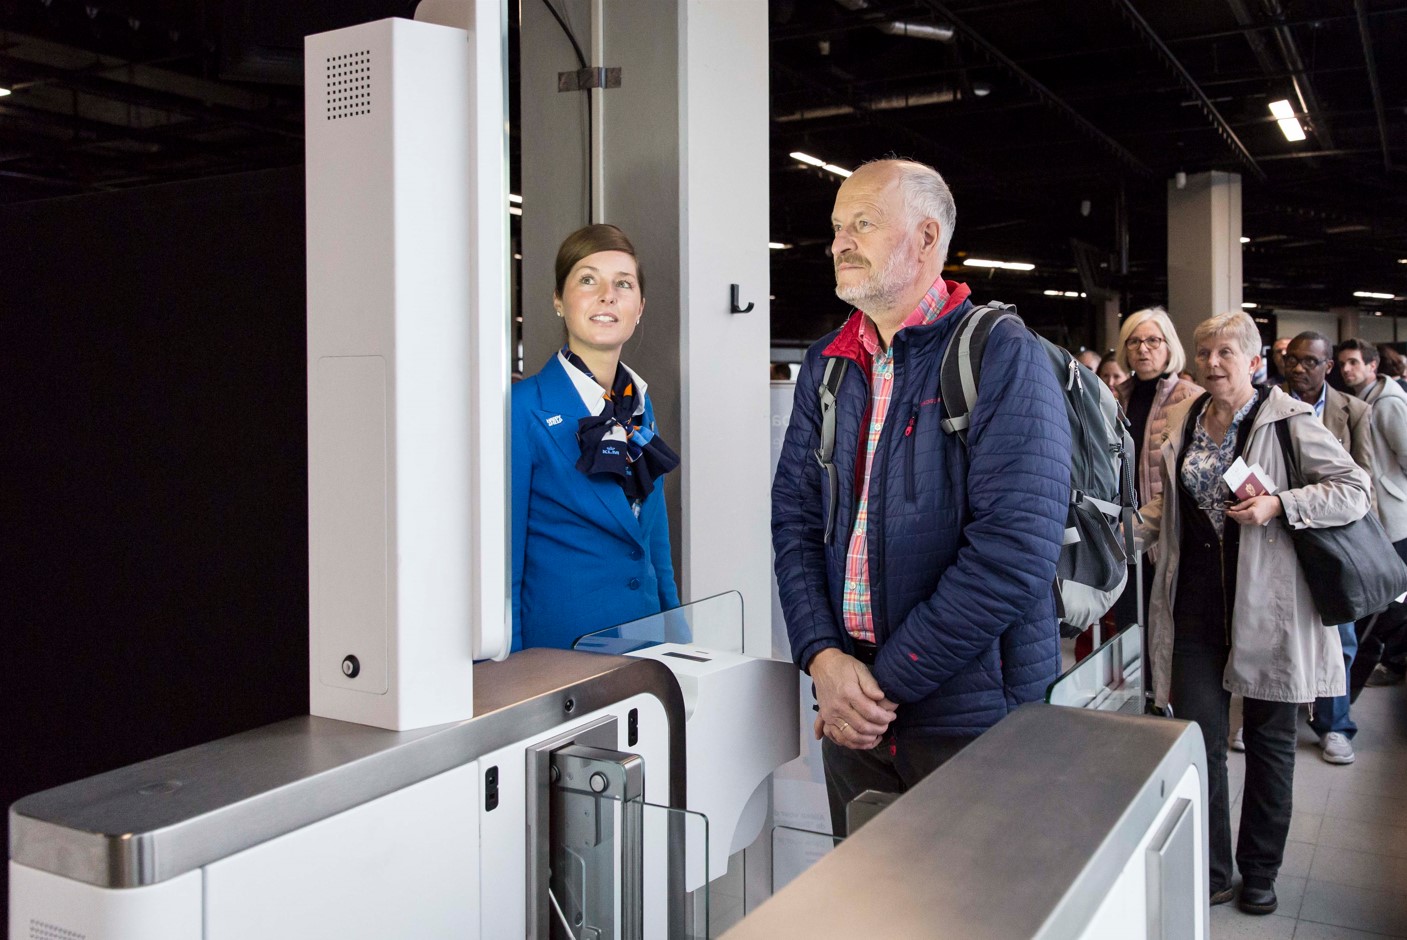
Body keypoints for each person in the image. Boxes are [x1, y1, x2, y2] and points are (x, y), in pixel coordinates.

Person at [771, 158, 1071, 837]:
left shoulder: (999, 353)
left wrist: (880, 687)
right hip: (852, 712)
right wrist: (821, 657)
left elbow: (1013, 552)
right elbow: (793, 518)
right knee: (870, 907)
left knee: (974, 911)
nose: (841, 241)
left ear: (927, 237)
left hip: (972, 714)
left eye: (864, 224)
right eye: (836, 228)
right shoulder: (827, 365)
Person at [1138, 311, 1368, 915]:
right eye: (1204, 351)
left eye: (1226, 353)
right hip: (1194, 608)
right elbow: (1168, 508)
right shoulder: (1187, 418)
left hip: (1269, 608)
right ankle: (1212, 869)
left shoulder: (1288, 420)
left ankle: (1260, 871)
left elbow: (1353, 488)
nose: (1213, 363)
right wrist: (1122, 537)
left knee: (1269, 741)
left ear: (1254, 360)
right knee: (1200, 739)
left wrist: (1279, 503)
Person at [511, 224, 681, 651]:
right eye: (588, 280)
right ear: (558, 300)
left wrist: (678, 639)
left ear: (639, 306)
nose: (608, 295)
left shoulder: (639, 405)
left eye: (623, 284)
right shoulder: (520, 407)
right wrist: (506, 670)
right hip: (556, 657)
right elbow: (502, 565)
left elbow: (654, 541)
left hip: (643, 648)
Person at [1281, 331, 1374, 765]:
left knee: (1340, 633)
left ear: (1328, 367)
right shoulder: (1268, 406)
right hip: (1278, 527)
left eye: (1310, 362)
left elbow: (1364, 481)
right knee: (1276, 626)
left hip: (1334, 536)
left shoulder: (1353, 411)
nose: (1299, 369)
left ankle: (1335, 725)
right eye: (1292, 360)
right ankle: (1273, 713)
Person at [1111, 307, 1203, 628]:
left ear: (1169, 346)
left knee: (1170, 633)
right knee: (1128, 634)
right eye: (1133, 342)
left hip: (1168, 537)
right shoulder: (1114, 399)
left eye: (1152, 340)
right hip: (1123, 537)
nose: (1142, 349)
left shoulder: (1192, 399)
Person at [1337, 338, 1407, 692]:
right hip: (1374, 514)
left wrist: (1396, 492)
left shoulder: (1389, 402)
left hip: (1395, 517)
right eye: (1343, 363)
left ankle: (1394, 660)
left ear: (1372, 366)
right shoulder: (1361, 400)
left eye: (1353, 362)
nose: (1347, 369)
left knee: (1391, 600)